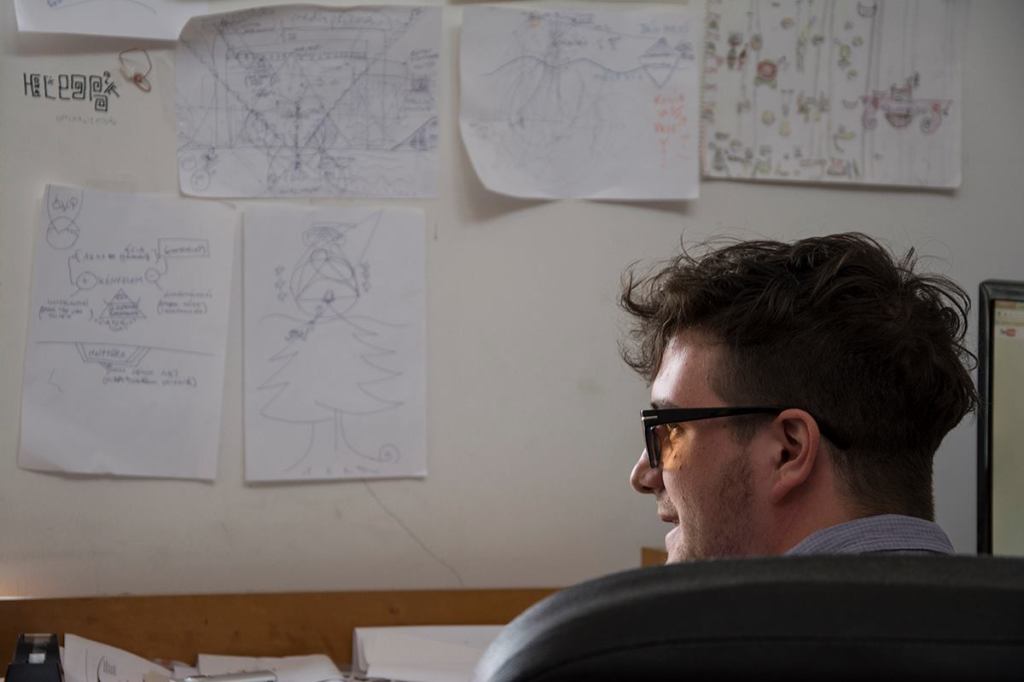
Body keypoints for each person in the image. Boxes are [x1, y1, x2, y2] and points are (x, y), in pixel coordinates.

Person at [621, 233, 977, 562]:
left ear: (787, 450)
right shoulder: (992, 605)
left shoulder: (659, 611)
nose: (642, 476)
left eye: (671, 432)